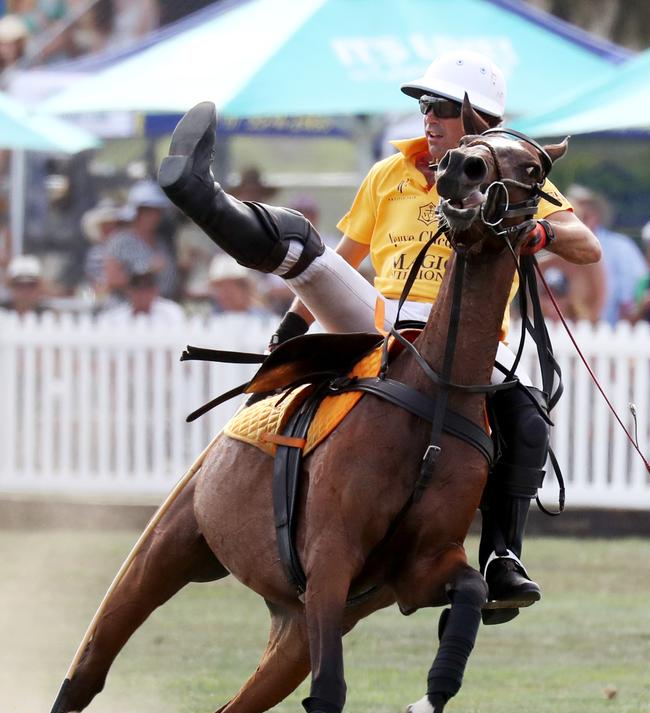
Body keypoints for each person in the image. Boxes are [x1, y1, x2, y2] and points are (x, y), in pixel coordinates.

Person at [158, 51, 601, 621]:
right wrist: (295, 323)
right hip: (378, 321)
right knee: (303, 243)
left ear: (480, 121)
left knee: (531, 418)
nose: (428, 116)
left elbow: (584, 245)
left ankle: (500, 557)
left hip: (466, 344)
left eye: (441, 106)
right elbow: (343, 259)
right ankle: (201, 194)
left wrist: (536, 231)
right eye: (424, 105)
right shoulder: (387, 175)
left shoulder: (514, 176)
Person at [567, 185, 647, 325]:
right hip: (570, 327)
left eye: (582, 215)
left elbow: (633, 293)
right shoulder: (561, 247)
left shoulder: (621, 247)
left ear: (594, 216)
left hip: (614, 331)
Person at [104, 179, 177, 301]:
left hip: (160, 309)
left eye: (157, 211)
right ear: (137, 212)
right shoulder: (119, 241)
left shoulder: (161, 243)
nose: (154, 216)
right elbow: (112, 279)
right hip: (127, 309)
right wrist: (146, 271)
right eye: (147, 210)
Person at [98, 260, 184, 328]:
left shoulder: (171, 313)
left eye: (148, 285)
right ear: (129, 290)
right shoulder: (113, 319)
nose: (143, 292)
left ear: (155, 290)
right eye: (137, 285)